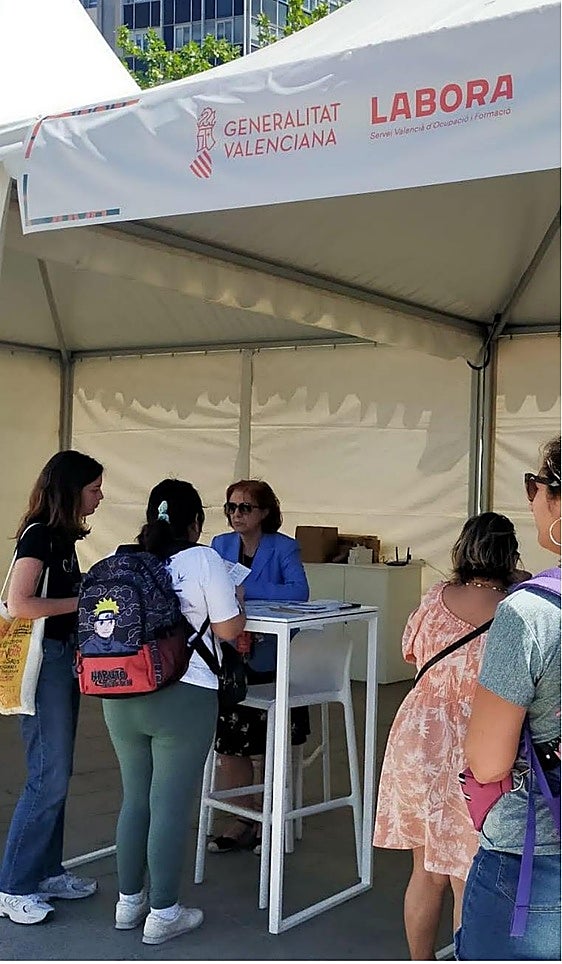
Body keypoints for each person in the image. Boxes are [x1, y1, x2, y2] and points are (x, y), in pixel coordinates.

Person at [373, 512, 524, 960]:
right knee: (466, 876)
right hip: (477, 741)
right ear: (510, 555)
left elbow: (409, 650)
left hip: (418, 736)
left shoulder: (435, 597)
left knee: (424, 871)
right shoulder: (516, 610)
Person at [102, 479, 245, 946]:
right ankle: (163, 912)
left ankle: (128, 903)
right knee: (169, 804)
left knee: (135, 799)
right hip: (184, 695)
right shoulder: (203, 559)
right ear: (196, 522)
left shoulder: (125, 558)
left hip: (120, 692)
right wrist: (238, 604)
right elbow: (228, 629)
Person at [458, 436, 561, 961]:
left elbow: (488, 759)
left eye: (535, 485)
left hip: (535, 853)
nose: (532, 498)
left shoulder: (531, 613)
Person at [0, 450, 104, 925]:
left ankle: (46, 871)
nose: (100, 496)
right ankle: (14, 885)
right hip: (43, 664)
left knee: (56, 772)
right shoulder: (39, 535)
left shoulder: (62, 537)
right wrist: (82, 602)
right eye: (93, 488)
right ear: (70, 489)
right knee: (48, 773)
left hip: (62, 661)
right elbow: (19, 602)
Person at [208, 479, 309, 853]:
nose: (236, 514)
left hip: (270, 658)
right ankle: (245, 817)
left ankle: (271, 818)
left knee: (269, 743)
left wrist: (244, 590)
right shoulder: (219, 545)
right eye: (231, 507)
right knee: (229, 743)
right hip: (231, 657)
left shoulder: (284, 547)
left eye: (245, 507)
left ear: (265, 512)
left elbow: (299, 591)